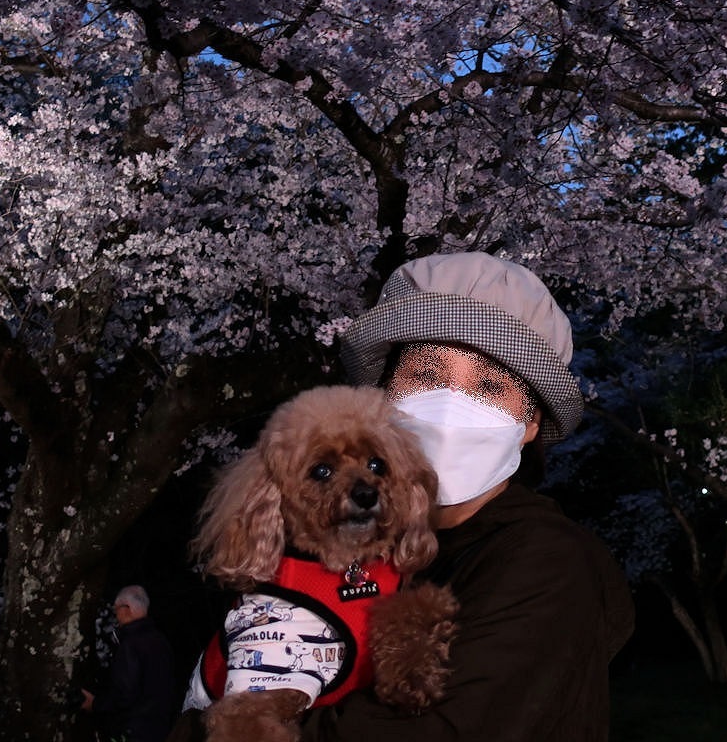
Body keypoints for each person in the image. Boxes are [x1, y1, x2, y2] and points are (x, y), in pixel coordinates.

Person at [181, 252, 635, 742]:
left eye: (490, 386)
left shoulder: (548, 561)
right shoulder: (373, 549)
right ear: (383, 393)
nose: (451, 405)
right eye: (426, 375)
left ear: (529, 426)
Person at [82, 585, 180, 742]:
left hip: (135, 731)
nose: (116, 615)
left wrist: (95, 704)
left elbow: (125, 694)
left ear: (127, 609)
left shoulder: (130, 645)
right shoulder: (161, 640)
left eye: (117, 610)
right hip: (161, 728)